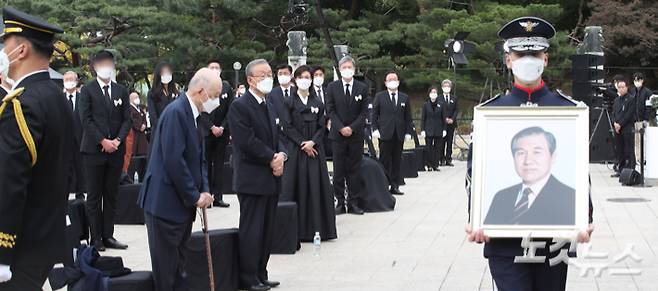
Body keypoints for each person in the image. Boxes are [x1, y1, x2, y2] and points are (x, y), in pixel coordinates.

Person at [465, 16, 594, 291]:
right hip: (504, 243)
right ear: (508, 59)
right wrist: (475, 219)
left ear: (545, 59)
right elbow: (474, 173)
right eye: (520, 53)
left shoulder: (567, 111)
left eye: (534, 53)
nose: (527, 59)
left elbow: (579, 171)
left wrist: (585, 218)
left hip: (554, 240)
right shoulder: (492, 113)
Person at [0, 7, 70, 289]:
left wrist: (2, 253)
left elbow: (10, 183)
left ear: (21, 51)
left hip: (19, 246)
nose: (2, 49)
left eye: (5, 44)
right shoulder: (56, 97)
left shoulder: (22, 104)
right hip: (44, 242)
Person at [138, 68, 218, 291]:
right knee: (167, 271)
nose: (217, 101)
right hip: (165, 205)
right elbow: (175, 161)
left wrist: (204, 190)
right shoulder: (176, 112)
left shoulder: (195, 115)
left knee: (180, 267)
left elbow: (200, 158)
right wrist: (194, 196)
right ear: (201, 91)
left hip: (180, 206)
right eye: (215, 95)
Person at [229, 59, 288, 291]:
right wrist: (271, 158)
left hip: (272, 178)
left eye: (269, 74)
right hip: (252, 178)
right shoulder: (240, 106)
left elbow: (279, 134)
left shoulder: (270, 103)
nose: (268, 78)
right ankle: (248, 275)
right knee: (252, 230)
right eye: (262, 75)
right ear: (250, 80)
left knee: (267, 229)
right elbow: (246, 141)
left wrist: (282, 155)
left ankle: (261, 272)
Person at [78, 49, 130, 251]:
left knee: (111, 194)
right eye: (101, 63)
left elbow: (126, 119)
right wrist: (102, 140)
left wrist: (117, 140)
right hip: (93, 151)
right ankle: (96, 237)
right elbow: (86, 119)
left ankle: (108, 235)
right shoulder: (87, 90)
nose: (106, 67)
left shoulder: (121, 91)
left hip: (116, 151)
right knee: (94, 195)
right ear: (94, 66)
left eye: (109, 63)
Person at [281, 65, 337, 242]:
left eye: (308, 77)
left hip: (315, 151)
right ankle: (293, 230)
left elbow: (322, 126)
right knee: (294, 186)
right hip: (296, 150)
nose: (305, 80)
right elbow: (287, 126)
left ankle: (318, 229)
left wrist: (313, 141)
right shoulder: (289, 102)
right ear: (295, 80)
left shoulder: (318, 103)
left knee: (316, 187)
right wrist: (302, 143)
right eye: (301, 77)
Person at [484, 127, 575, 225]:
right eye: (521, 153)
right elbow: (490, 234)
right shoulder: (501, 197)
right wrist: (482, 234)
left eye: (537, 152)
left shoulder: (570, 198)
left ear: (553, 157)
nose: (528, 161)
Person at [325, 55, 368, 215]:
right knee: (338, 170)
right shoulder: (332, 87)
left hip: (355, 136)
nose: (347, 70)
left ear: (354, 69)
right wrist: (341, 127)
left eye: (350, 67)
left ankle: (354, 202)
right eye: (344, 68)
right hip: (337, 135)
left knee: (354, 170)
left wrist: (352, 127)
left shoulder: (362, 87)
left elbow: (364, 112)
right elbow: (330, 110)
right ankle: (340, 202)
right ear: (339, 69)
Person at [371, 71, 413, 195]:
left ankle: (394, 186)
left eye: (394, 79)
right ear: (385, 82)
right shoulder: (380, 96)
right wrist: (375, 129)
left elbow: (408, 117)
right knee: (384, 160)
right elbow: (374, 114)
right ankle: (383, 185)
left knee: (396, 161)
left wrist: (408, 132)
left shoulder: (404, 97)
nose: (392, 81)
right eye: (389, 79)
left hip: (399, 134)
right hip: (384, 133)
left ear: (398, 82)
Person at [204, 59, 232, 208]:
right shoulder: (202, 87)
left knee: (219, 165)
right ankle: (207, 196)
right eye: (212, 67)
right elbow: (201, 110)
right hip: (207, 133)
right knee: (206, 164)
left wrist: (222, 127)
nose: (215, 69)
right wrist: (211, 127)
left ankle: (218, 196)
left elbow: (231, 109)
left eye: (217, 67)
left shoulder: (226, 87)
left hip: (222, 133)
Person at [63, 71, 86, 199]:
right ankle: (64, 195)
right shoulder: (60, 98)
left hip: (81, 138)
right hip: (65, 139)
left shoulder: (83, 98)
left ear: (76, 81)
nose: (69, 81)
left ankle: (81, 193)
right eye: (66, 79)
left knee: (81, 167)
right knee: (66, 168)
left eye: (71, 79)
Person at [611, 75, 636, 177]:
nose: (620, 89)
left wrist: (620, 124)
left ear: (627, 87)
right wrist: (615, 123)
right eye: (619, 87)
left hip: (627, 128)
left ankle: (631, 169)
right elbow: (613, 113)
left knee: (628, 149)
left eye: (622, 87)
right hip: (617, 128)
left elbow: (628, 115)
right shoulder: (616, 100)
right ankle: (620, 169)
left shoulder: (631, 99)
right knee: (619, 149)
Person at [420, 86, 446, 171]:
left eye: (435, 92)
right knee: (429, 148)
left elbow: (443, 118)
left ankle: (436, 165)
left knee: (437, 148)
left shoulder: (441, 104)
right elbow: (423, 118)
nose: (433, 94)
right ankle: (429, 165)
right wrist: (422, 129)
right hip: (429, 129)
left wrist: (444, 129)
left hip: (438, 129)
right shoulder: (425, 105)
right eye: (432, 92)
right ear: (429, 94)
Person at [147, 61, 179, 128]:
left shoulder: (176, 93)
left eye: (168, 72)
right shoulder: (152, 93)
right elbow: (153, 117)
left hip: (175, 129)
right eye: (164, 72)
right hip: (160, 129)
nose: (166, 74)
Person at [128, 92, 149, 181]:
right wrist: (139, 126)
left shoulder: (140, 108)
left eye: (138, 97)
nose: (137, 99)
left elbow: (144, 118)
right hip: (135, 136)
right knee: (133, 161)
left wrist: (144, 124)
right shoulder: (129, 109)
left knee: (143, 160)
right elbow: (131, 120)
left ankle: (143, 179)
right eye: (135, 97)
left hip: (142, 138)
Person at [438, 79, 458, 166]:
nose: (447, 88)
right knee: (441, 142)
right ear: (442, 87)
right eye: (445, 86)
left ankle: (448, 159)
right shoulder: (439, 98)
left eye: (448, 86)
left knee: (449, 142)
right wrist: (444, 119)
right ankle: (441, 159)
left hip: (451, 123)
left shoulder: (454, 98)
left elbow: (456, 110)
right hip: (442, 124)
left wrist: (452, 119)